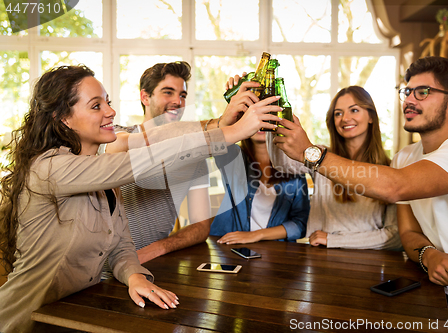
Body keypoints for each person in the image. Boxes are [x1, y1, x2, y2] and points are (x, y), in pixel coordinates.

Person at [0, 65, 280, 332]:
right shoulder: (49, 168)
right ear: (63, 118)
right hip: (26, 320)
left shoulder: (103, 178)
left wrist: (135, 276)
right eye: (96, 105)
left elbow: (121, 244)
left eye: (107, 102)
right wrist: (231, 132)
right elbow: (145, 157)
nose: (110, 111)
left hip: (79, 311)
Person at [274, 56, 448, 324]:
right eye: (407, 92)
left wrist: (310, 153)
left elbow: (396, 187)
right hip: (437, 292)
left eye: (423, 92)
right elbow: (408, 233)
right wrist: (429, 254)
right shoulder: (405, 157)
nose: (409, 100)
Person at [267, 86, 401, 250]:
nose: (345, 118)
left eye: (354, 110)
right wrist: (271, 119)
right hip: (320, 259)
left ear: (371, 116)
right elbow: (282, 163)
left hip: (367, 264)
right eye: (338, 113)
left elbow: (394, 236)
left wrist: (333, 240)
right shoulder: (320, 156)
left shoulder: (389, 169)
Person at [104, 62, 212, 265]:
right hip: (101, 268)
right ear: (145, 97)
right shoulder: (117, 136)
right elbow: (118, 145)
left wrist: (157, 249)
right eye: (168, 92)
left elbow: (201, 225)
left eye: (182, 95)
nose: (177, 101)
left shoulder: (194, 156)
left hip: (152, 265)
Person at [210, 130, 310, 245]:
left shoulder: (294, 167)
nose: (261, 125)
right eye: (257, 117)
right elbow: (216, 141)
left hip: (276, 249)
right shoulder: (232, 157)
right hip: (229, 246)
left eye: (266, 118)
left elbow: (300, 224)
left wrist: (257, 235)